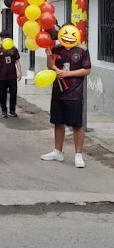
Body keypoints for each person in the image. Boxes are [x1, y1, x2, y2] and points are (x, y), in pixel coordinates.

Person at [41, 24, 91, 168]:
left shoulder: (82, 50)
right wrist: (49, 55)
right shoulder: (56, 48)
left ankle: (78, 155)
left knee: (77, 124)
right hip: (58, 92)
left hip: (75, 94)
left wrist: (67, 74)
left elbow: (86, 70)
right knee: (58, 122)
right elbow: (50, 67)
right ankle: (58, 151)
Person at [0, 30, 22, 118]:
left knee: (13, 93)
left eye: (5, 38)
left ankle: (12, 110)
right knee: (3, 94)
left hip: (12, 75)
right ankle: (4, 110)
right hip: (2, 76)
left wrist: (20, 72)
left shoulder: (13, 49)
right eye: (2, 38)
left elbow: (17, 61)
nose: (3, 40)